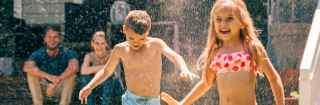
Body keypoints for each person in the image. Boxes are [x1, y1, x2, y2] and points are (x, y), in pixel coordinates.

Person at [161, 0, 285, 105]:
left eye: (229, 19)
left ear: (242, 22)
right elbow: (205, 83)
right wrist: (182, 103)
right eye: (218, 20)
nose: (223, 24)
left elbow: (273, 78)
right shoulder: (215, 53)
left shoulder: (251, 47)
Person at [79, 10, 197, 105]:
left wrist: (184, 69)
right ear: (125, 29)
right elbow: (106, 71)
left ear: (148, 32)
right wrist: (90, 86)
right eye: (131, 38)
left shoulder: (156, 44)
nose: (136, 42)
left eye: (142, 39)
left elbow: (175, 56)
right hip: (131, 100)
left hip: (153, 100)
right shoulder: (120, 49)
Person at [23, 26, 78, 105]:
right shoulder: (39, 53)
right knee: (31, 74)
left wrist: (56, 81)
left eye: (55, 37)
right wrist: (49, 77)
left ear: (60, 39)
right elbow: (27, 67)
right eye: (49, 37)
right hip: (44, 89)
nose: (52, 40)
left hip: (60, 89)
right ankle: (37, 103)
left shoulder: (68, 52)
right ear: (44, 39)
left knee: (72, 76)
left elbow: (74, 67)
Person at [80, 31, 123, 105]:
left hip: (113, 87)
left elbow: (115, 73)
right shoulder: (89, 56)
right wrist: (105, 67)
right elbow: (83, 71)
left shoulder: (112, 54)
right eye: (97, 43)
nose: (99, 46)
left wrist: (95, 69)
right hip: (96, 87)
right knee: (85, 79)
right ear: (92, 44)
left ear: (106, 44)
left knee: (109, 78)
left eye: (102, 43)